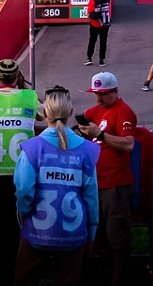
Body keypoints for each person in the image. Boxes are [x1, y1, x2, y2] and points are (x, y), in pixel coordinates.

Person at [14, 88, 99, 286]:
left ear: (44, 114)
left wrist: (24, 214)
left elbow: (24, 190)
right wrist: (91, 231)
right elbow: (91, 197)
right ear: (70, 113)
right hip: (74, 232)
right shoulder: (87, 149)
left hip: (37, 230)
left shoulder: (32, 148)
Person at [0, 58, 38, 286]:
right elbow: (40, 116)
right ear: (18, 77)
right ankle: (18, 274)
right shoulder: (29, 97)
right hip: (23, 172)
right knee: (20, 225)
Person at [78, 72, 139, 286]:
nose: (98, 99)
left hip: (116, 184)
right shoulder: (98, 110)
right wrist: (80, 131)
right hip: (97, 184)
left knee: (118, 237)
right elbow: (80, 119)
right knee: (100, 235)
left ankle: (119, 277)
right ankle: (109, 271)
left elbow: (129, 144)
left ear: (115, 91)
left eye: (103, 94)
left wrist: (101, 135)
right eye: (95, 94)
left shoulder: (123, 112)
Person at [85, 0, 112, 66]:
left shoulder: (93, 1)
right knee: (103, 42)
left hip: (95, 24)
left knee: (92, 41)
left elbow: (89, 13)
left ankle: (89, 58)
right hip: (105, 24)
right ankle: (101, 60)